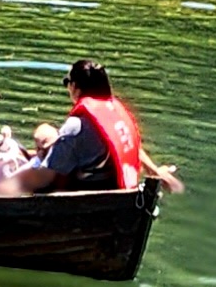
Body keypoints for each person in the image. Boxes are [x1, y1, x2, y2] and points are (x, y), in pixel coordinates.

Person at [15, 58, 183, 196]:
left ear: (75, 87)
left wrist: (9, 182)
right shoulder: (115, 113)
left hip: (85, 192)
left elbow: (44, 177)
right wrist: (154, 171)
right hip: (117, 188)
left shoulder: (75, 126)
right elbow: (128, 145)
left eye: (68, 82)